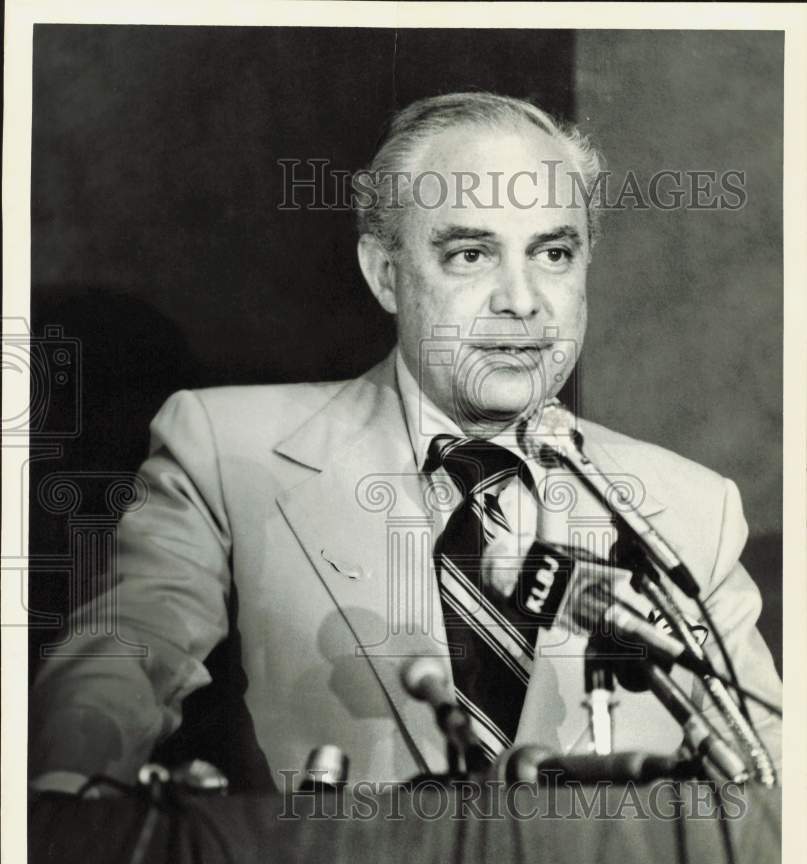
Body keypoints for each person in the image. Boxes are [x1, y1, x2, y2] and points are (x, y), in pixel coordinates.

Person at [29, 92, 782, 794]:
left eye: (553, 254)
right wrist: (65, 809)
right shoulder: (228, 450)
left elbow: (773, 781)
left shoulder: (688, 509)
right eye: (470, 255)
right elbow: (124, 659)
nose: (522, 301)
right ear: (386, 276)